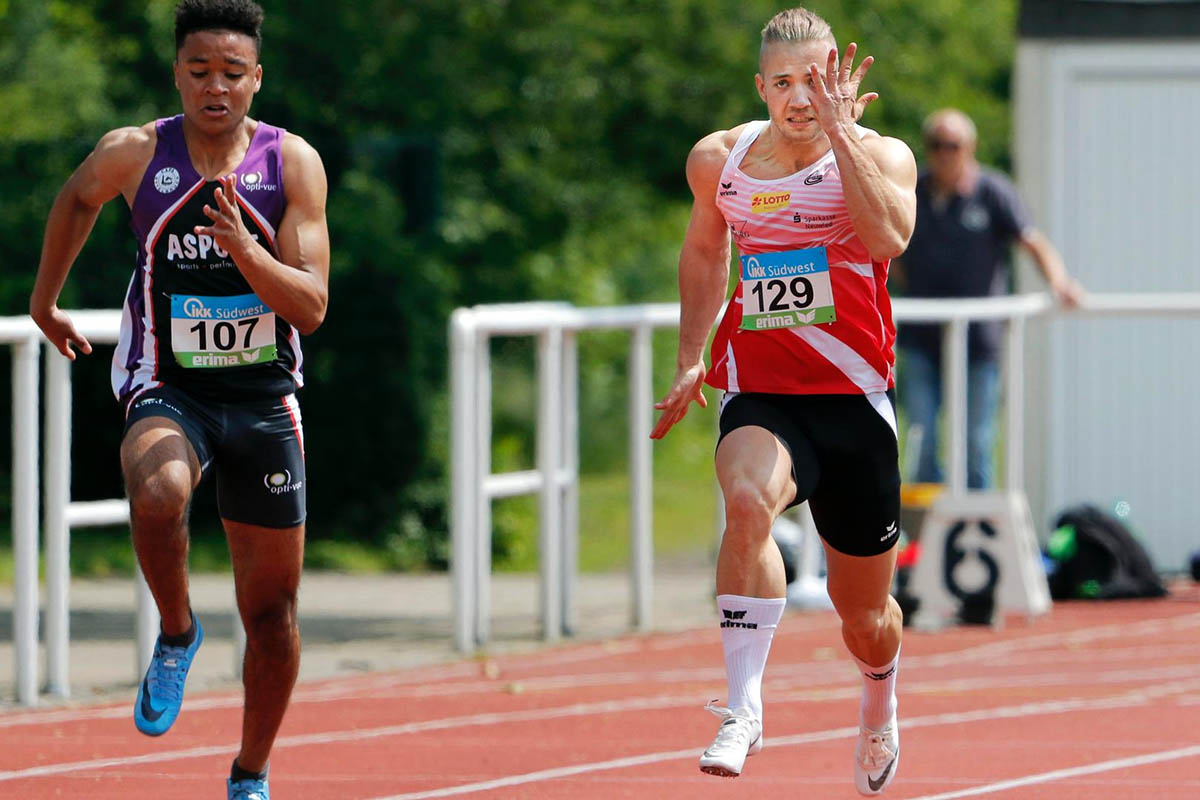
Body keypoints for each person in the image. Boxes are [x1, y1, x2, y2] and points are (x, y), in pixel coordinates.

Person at [29, 1, 328, 798]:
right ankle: (176, 630)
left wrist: (245, 253)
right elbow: (76, 199)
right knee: (158, 489)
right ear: (178, 75)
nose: (216, 88)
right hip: (170, 385)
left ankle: (250, 774)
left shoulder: (290, 164)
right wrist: (45, 301)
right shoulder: (137, 153)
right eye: (200, 72)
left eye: (233, 74)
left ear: (256, 80)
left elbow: (310, 306)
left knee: (273, 619)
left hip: (264, 400)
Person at [651, 7, 915, 795]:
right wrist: (691, 357)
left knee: (863, 618)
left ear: (840, 78)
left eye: (817, 80)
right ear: (761, 86)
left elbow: (888, 238)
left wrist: (841, 138)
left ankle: (879, 696)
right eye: (786, 83)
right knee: (745, 502)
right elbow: (704, 252)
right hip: (762, 390)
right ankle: (742, 706)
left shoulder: (878, 154)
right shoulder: (720, 161)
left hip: (854, 402)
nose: (802, 98)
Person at [894, 108, 1084, 489]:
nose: (944, 153)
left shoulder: (993, 191)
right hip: (920, 338)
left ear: (970, 147)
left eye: (952, 145)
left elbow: (1031, 240)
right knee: (921, 439)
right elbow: (889, 247)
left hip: (979, 341)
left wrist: (1059, 281)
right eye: (936, 145)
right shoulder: (913, 190)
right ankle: (928, 539)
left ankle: (976, 531)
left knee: (977, 444)